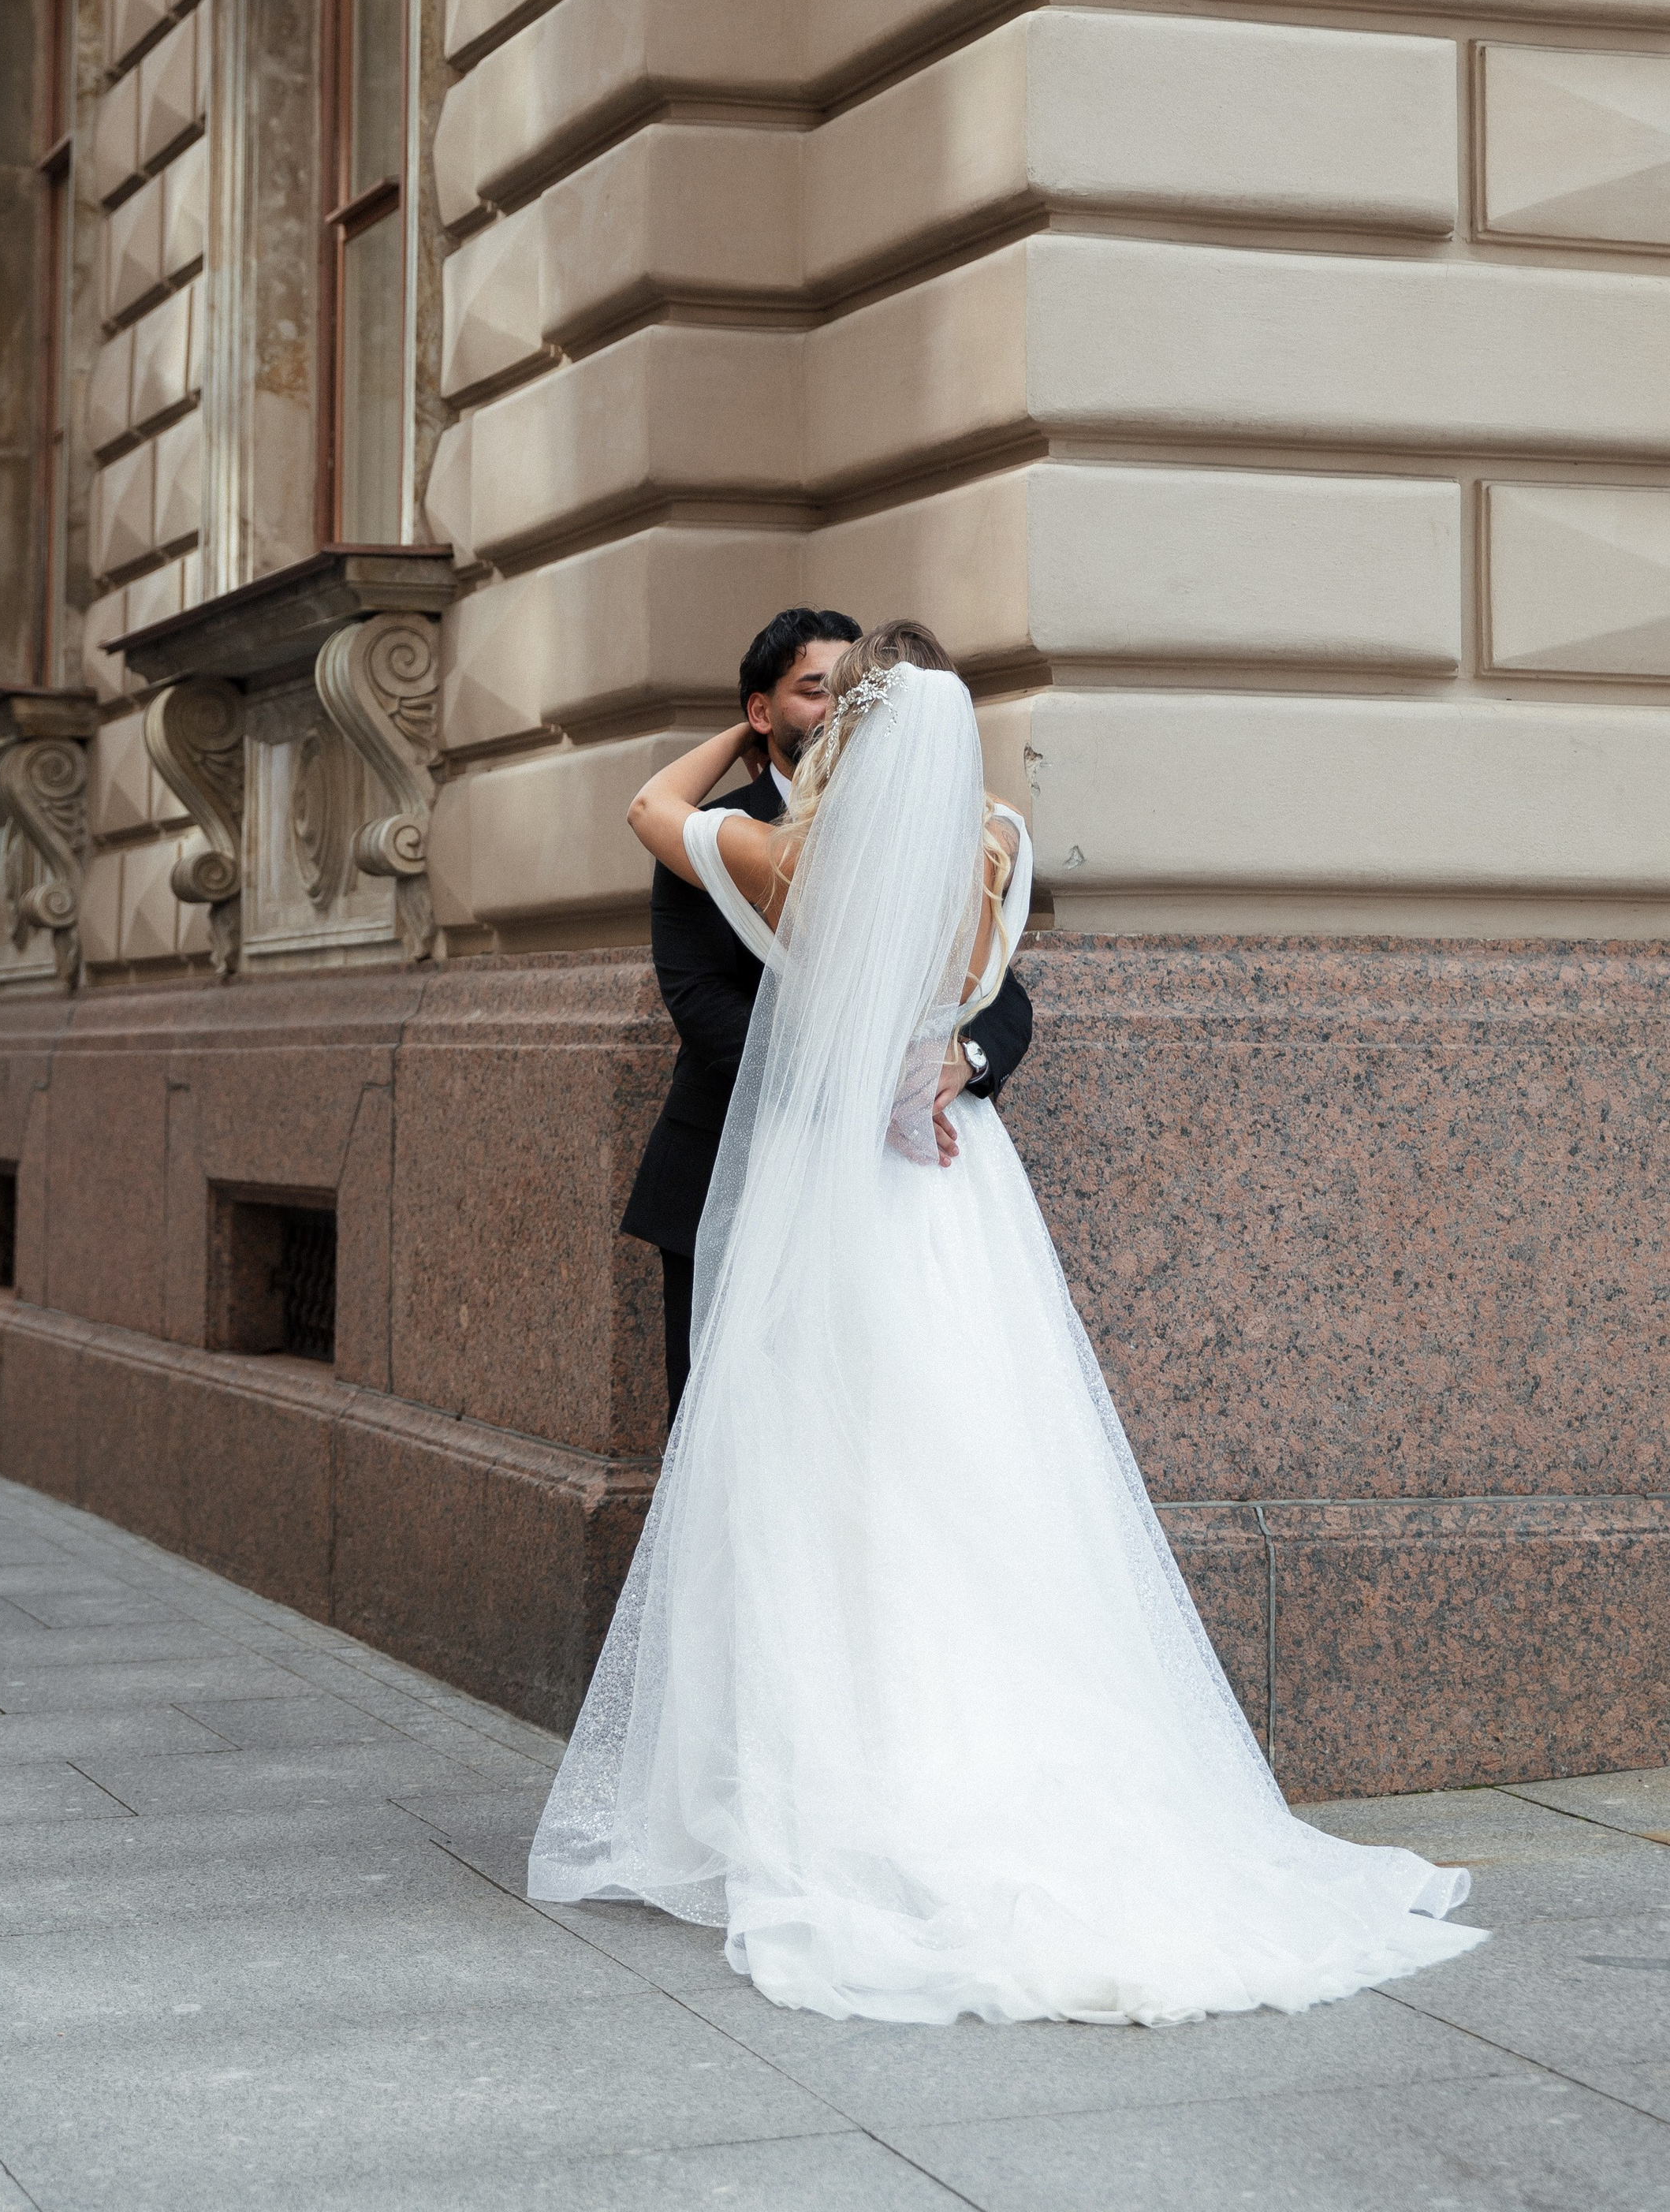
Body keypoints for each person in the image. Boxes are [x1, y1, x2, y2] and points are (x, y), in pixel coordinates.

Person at [530, 621, 1484, 2027]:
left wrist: (746, 743)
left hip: (840, 1200)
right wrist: (946, 1053)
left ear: (840, 740)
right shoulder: (992, 853)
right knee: (985, 1476)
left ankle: (829, 1779)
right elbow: (984, 995)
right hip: (964, 1205)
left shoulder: (789, 861)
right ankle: (1017, 1763)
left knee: (826, 1485)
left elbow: (650, 811)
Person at [622, 608, 1032, 1419]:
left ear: (848, 724)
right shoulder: (993, 844)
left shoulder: (771, 856)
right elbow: (705, 1005)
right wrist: (879, 1088)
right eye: (806, 690)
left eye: (834, 697)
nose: (820, 711)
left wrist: (955, 1062)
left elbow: (649, 806)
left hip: (854, 1158)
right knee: (941, 1398)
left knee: (810, 1410)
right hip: (931, 1159)